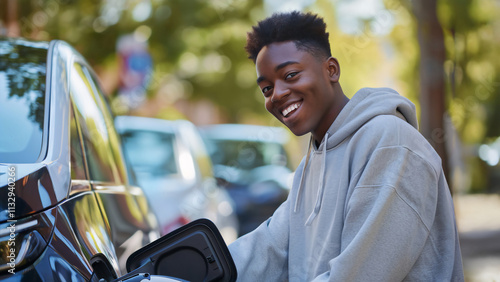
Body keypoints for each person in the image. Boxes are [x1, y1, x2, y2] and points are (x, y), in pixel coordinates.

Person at [227, 11, 464, 281]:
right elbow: (269, 249)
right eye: (267, 89)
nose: (277, 94)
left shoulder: (390, 143)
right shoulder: (310, 165)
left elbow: (360, 274)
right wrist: (185, 269)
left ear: (331, 70)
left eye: (290, 75)